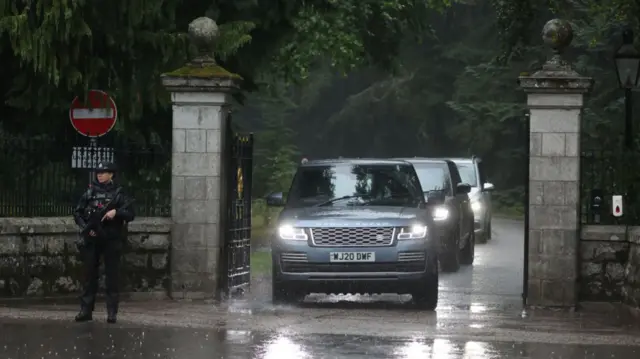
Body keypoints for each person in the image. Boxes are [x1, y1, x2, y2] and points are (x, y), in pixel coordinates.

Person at [73, 161, 135, 323]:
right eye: (98, 172)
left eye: (103, 172)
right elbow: (77, 213)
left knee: (112, 277)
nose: (99, 174)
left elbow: (131, 214)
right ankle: (85, 310)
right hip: (92, 239)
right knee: (89, 276)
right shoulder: (90, 192)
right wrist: (86, 228)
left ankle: (112, 313)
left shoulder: (119, 193)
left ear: (111, 174)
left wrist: (117, 212)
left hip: (111, 238)